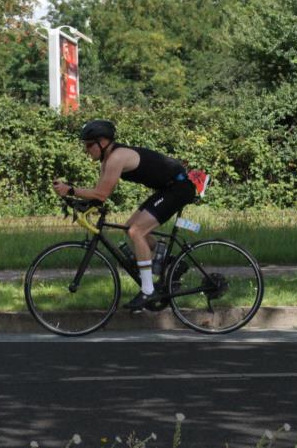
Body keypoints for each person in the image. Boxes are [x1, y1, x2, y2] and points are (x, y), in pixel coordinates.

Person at [52, 119, 196, 310]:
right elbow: (99, 196)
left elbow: (101, 194)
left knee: (136, 231)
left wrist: (70, 190)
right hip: (167, 189)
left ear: (102, 142)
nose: (86, 150)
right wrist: (78, 202)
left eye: (89, 145)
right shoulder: (107, 161)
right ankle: (169, 264)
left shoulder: (117, 158)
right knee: (130, 228)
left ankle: (148, 291)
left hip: (179, 188)